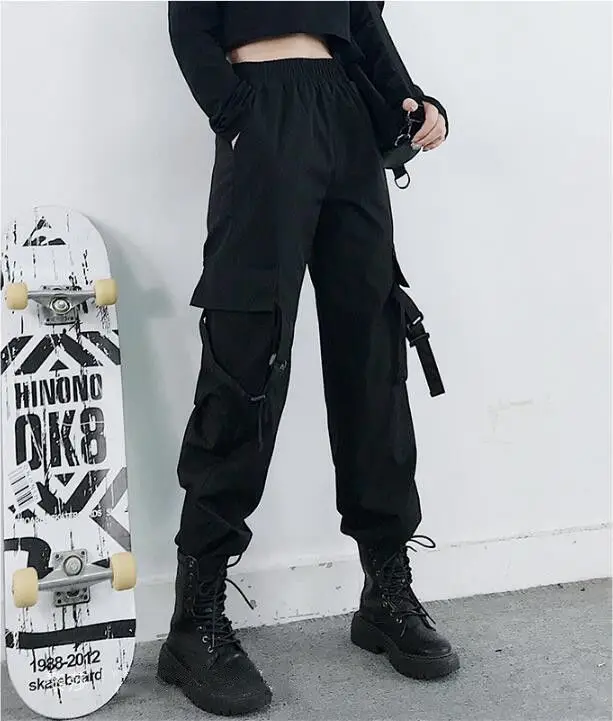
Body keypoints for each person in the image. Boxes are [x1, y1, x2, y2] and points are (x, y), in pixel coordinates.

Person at [159, 2, 458, 716]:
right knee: (246, 355)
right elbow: (189, 22)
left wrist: (411, 100)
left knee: (372, 350)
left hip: (345, 118)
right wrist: (236, 112)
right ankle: (193, 620)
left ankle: (384, 588)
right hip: (262, 109)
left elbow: (362, 20)